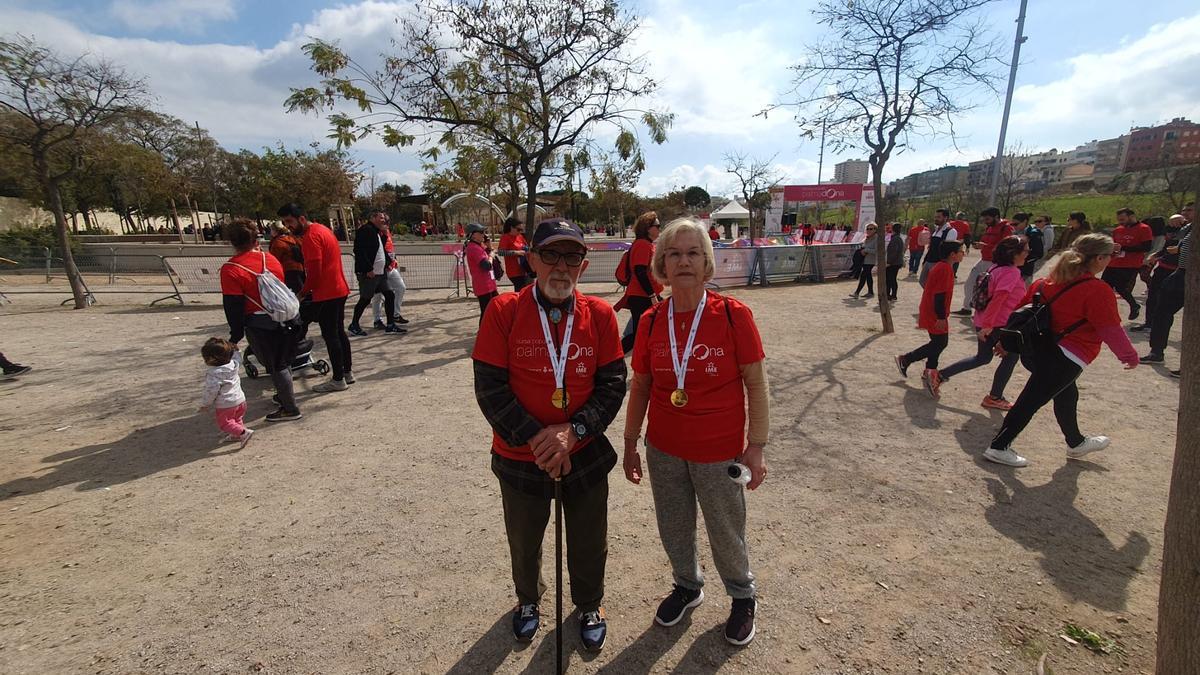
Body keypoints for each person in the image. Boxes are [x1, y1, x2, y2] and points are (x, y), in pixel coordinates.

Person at [471, 217, 626, 652]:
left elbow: (613, 385)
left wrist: (572, 433)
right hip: (521, 455)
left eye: (571, 256)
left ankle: (589, 604)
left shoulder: (599, 315)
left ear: (583, 263)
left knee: (589, 538)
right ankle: (527, 602)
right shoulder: (503, 311)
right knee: (524, 540)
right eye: (551, 255)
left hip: (584, 452)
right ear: (532, 259)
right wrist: (542, 441)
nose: (561, 266)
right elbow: (490, 389)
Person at [621, 217, 769, 646]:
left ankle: (742, 596)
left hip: (717, 450)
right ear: (661, 263)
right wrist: (631, 443)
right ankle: (687, 585)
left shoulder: (732, 315)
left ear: (706, 262)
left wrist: (755, 446)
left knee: (725, 528)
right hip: (663, 447)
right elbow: (642, 386)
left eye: (692, 253)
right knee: (673, 524)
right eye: (673, 253)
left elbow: (756, 384)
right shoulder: (651, 320)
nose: (683, 261)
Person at [983, 234, 1139, 467]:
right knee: (1031, 401)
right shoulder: (1097, 290)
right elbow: (1110, 328)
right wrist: (1129, 355)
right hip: (1065, 357)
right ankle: (998, 446)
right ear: (1098, 258)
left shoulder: (1044, 282)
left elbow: (1019, 314)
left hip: (1035, 352)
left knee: (1066, 393)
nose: (1110, 260)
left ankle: (1076, 442)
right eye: (1110, 255)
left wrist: (1005, 342)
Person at [219, 218, 303, 422]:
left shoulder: (231, 269)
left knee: (276, 365)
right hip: (288, 317)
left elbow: (234, 305)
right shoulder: (270, 259)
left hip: (261, 323)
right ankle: (284, 395)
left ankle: (289, 408)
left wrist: (235, 334)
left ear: (232, 241)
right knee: (283, 360)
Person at [935, 236, 1027, 410]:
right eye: (1025, 251)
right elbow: (999, 298)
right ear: (1013, 253)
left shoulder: (996, 267)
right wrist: (989, 326)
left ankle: (940, 375)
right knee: (1011, 357)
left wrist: (985, 324)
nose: (1027, 254)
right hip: (998, 323)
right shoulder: (1011, 272)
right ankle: (995, 397)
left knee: (983, 357)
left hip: (984, 320)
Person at [280, 203, 353, 393]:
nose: (288, 226)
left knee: (331, 335)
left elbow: (315, 272)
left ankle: (338, 379)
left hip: (327, 291)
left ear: (301, 219)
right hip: (338, 288)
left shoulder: (311, 237)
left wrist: (302, 294)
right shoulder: (323, 230)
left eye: (290, 222)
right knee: (338, 332)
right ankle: (346, 372)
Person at [896, 240, 965, 398]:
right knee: (940, 342)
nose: (963, 254)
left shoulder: (943, 267)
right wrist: (941, 317)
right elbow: (939, 295)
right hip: (935, 312)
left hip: (932, 310)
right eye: (961, 251)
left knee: (937, 343)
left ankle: (929, 371)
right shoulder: (944, 269)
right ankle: (906, 359)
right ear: (952, 254)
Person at [1140, 203, 1191, 368]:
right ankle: (1156, 351)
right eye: (1184, 211)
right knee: (1161, 311)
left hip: (1192, 275)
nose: (1185, 214)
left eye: (1189, 210)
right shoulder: (1188, 228)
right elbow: (1175, 241)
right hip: (1181, 274)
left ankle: (1191, 366)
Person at [348, 213, 404, 337]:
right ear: (373, 218)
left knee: (389, 295)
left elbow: (380, 249)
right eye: (381, 218)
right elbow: (359, 250)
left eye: (384, 218)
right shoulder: (365, 230)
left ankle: (390, 325)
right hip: (370, 273)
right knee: (365, 298)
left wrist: (388, 262)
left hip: (380, 272)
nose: (383, 220)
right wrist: (368, 268)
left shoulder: (377, 232)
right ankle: (354, 324)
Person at [1134, 214, 1187, 333]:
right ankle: (1149, 324)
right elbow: (1165, 248)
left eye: (1189, 210)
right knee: (1152, 297)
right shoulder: (1168, 230)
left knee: (1166, 302)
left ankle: (1158, 329)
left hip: (1177, 270)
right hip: (1163, 267)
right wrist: (1155, 255)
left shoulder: (1189, 230)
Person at [619, 212, 664, 354]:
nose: (659, 229)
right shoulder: (643, 245)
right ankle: (614, 355)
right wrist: (652, 295)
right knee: (640, 333)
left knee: (642, 331)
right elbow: (640, 271)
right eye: (657, 226)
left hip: (643, 295)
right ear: (648, 228)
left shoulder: (645, 244)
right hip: (642, 296)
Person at [955, 207, 1013, 315]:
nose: (986, 222)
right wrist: (980, 245)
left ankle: (983, 311)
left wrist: (987, 246)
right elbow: (985, 242)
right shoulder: (989, 228)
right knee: (969, 283)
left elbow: (1006, 245)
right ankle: (967, 308)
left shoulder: (1006, 228)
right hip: (983, 259)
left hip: (995, 262)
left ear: (996, 217)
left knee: (987, 289)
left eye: (988, 219)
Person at [199, 337, 253, 447]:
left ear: (211, 359)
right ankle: (237, 434)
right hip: (240, 399)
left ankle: (243, 432)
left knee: (225, 423)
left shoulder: (214, 373)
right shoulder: (233, 364)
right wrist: (237, 350)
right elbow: (238, 358)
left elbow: (211, 391)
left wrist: (206, 404)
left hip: (226, 404)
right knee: (237, 419)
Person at [1102, 208, 1153, 321]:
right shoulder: (1118, 230)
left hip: (1130, 264)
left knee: (1121, 288)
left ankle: (1134, 305)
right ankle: (1104, 311)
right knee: (1103, 287)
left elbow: (1147, 247)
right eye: (1119, 220)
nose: (1121, 222)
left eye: (1123, 219)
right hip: (1113, 263)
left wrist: (1124, 248)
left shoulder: (1144, 229)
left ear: (1131, 216)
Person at [367, 211, 410, 330]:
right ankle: (377, 319)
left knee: (400, 287)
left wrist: (394, 259)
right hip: (380, 268)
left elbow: (390, 248)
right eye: (383, 220)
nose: (386, 223)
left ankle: (395, 314)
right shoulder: (375, 233)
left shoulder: (386, 232)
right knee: (378, 296)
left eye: (386, 221)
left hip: (391, 267)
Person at [464, 223, 500, 319]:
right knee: (486, 312)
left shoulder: (479, 246)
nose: (483, 234)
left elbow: (489, 252)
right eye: (481, 232)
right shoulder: (473, 248)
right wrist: (491, 256)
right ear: (473, 235)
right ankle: (483, 332)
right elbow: (486, 265)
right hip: (483, 286)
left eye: (484, 232)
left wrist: (489, 246)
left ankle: (493, 331)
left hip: (489, 284)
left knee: (495, 309)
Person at [920, 209, 958, 286]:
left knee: (935, 285)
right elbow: (931, 247)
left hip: (938, 263)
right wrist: (925, 261)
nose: (936, 219)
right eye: (935, 217)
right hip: (929, 261)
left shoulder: (951, 231)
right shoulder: (936, 230)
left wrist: (942, 266)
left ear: (945, 218)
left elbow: (948, 251)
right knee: (923, 281)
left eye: (938, 217)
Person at [268, 223, 306, 294]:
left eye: (271, 230)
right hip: (300, 267)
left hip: (287, 269)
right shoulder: (292, 238)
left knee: (293, 292)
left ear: (275, 231)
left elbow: (274, 259)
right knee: (301, 289)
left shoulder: (278, 242)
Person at [498, 217, 533, 292]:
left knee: (525, 290)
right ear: (511, 228)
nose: (520, 232)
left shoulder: (519, 236)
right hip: (514, 272)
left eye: (521, 230)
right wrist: (516, 252)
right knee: (520, 291)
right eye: (518, 229)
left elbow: (526, 247)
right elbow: (500, 252)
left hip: (524, 269)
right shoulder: (505, 237)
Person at [849, 222, 879, 298]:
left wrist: (866, 250)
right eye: (867, 229)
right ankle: (870, 292)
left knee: (863, 275)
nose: (869, 230)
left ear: (875, 230)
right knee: (868, 276)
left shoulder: (877, 238)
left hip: (870, 260)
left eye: (871, 229)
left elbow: (876, 250)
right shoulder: (867, 238)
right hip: (864, 260)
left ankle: (857, 293)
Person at [1016, 213, 1043, 284]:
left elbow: (1039, 253)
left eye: (1016, 224)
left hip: (1025, 271)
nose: (1014, 226)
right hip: (1014, 269)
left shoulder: (1034, 234)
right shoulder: (1015, 233)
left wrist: (1025, 261)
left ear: (1025, 222)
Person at [885, 222, 905, 302]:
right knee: (892, 279)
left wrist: (889, 262)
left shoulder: (895, 239)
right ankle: (891, 295)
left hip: (893, 263)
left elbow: (894, 252)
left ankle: (891, 295)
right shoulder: (898, 238)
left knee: (890, 279)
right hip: (896, 262)